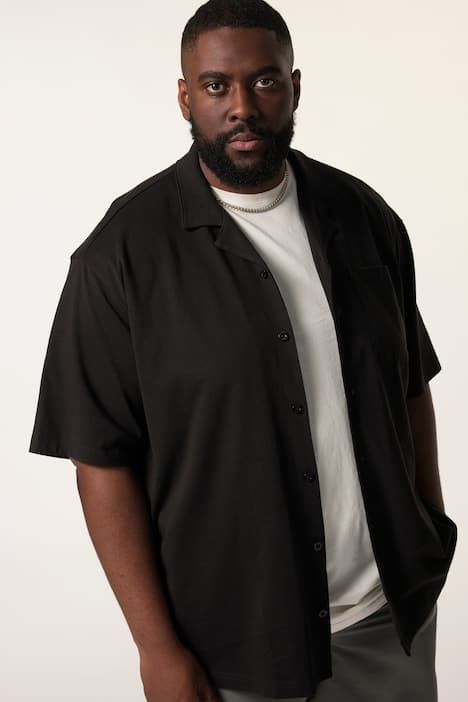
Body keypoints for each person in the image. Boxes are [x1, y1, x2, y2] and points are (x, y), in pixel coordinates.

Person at [28, 1, 457, 700]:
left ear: (294, 86)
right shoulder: (119, 258)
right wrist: (156, 648)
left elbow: (410, 385)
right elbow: (100, 465)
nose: (242, 108)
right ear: (185, 97)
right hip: (233, 644)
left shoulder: (363, 216)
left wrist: (428, 531)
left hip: (389, 622)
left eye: (264, 81)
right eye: (216, 85)